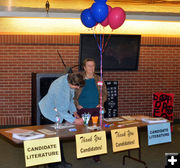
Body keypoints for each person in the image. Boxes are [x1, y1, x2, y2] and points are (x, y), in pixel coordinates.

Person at [39, 72, 85, 168]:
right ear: (72, 83)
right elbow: (61, 111)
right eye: (76, 87)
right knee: (52, 139)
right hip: (48, 112)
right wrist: (74, 120)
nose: (77, 88)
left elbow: (70, 99)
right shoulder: (60, 88)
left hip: (57, 110)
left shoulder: (68, 80)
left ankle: (61, 161)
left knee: (58, 137)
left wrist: (74, 112)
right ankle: (54, 165)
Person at [74, 58, 107, 162]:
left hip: (96, 110)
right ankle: (83, 152)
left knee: (96, 132)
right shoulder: (79, 79)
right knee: (83, 132)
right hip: (83, 110)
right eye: (89, 66)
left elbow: (105, 94)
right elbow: (73, 94)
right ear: (84, 67)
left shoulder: (99, 79)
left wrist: (101, 103)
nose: (91, 68)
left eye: (93, 65)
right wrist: (77, 105)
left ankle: (96, 155)